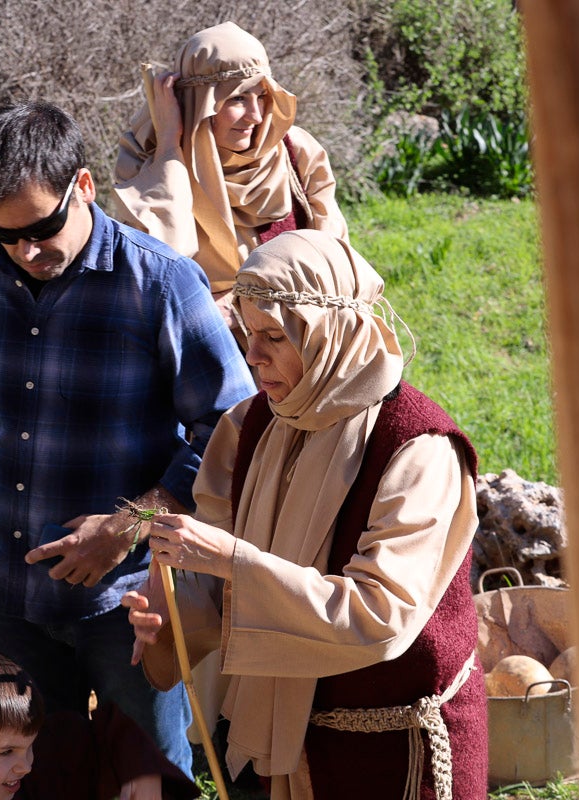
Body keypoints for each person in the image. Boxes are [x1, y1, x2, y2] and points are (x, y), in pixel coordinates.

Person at [0, 101, 256, 778]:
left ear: (83, 187)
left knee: (147, 777)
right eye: (4, 234)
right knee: (31, 776)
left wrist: (132, 523)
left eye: (42, 228)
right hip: (6, 598)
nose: (25, 252)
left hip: (129, 607)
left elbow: (233, 428)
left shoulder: (161, 284)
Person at [122, 230, 489, 799]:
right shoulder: (249, 428)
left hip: (394, 749)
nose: (252, 355)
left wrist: (231, 560)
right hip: (278, 746)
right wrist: (170, 615)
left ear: (330, 335)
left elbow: (379, 612)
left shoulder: (416, 447)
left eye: (274, 336)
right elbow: (218, 588)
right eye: (246, 333)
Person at [113, 21, 348, 331]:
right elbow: (158, 271)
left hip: (299, 342)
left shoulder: (296, 151)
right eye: (238, 98)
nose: (256, 115)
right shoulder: (144, 159)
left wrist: (241, 306)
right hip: (202, 350)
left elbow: (335, 266)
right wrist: (171, 147)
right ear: (197, 102)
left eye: (261, 96)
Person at [0, 641, 199, 800]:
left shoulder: (22, 741)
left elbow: (105, 736)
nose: (26, 765)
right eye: (6, 753)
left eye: (30, 746)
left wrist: (142, 772)